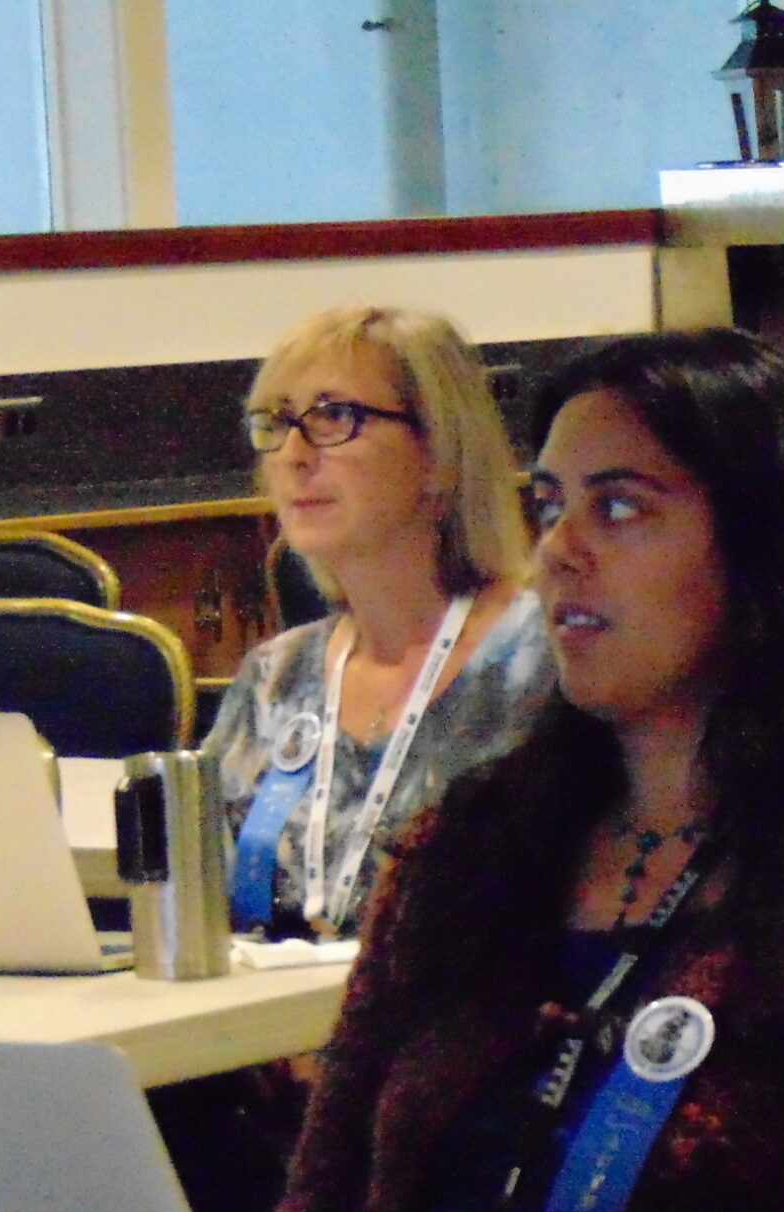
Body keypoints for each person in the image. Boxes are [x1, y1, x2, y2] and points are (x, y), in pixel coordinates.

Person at [248, 330, 784, 1212]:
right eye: (550, 506)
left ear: (767, 553)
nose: (559, 552)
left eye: (619, 508)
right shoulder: (467, 848)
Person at [208, 304, 553, 939]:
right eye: (276, 422)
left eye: (334, 416)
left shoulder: (547, 662)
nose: (293, 454)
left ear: (439, 452)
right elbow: (204, 903)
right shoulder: (273, 677)